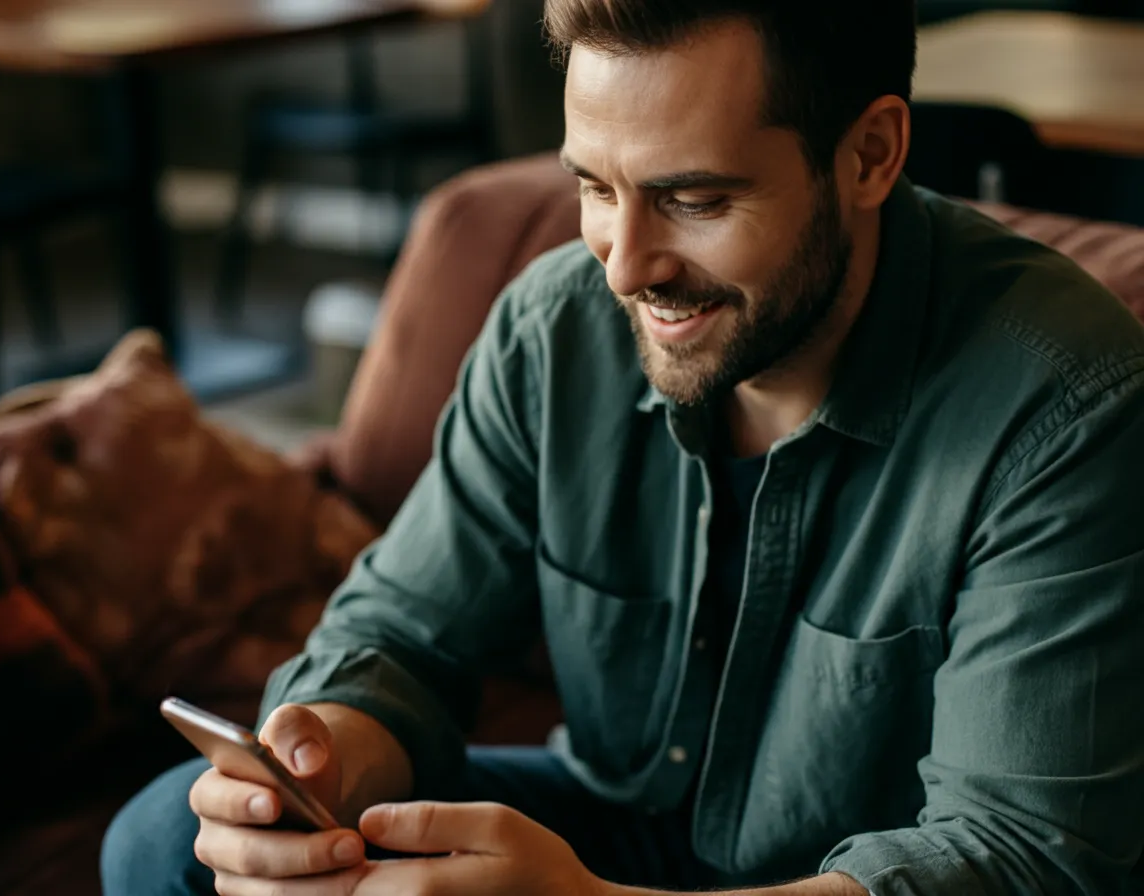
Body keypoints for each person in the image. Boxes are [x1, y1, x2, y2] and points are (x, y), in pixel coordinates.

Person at [101, 1, 1144, 893]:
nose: (622, 267)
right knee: (166, 840)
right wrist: (318, 764)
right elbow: (403, 634)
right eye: (596, 188)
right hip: (618, 813)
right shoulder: (554, 326)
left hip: (852, 875)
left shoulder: (1064, 399)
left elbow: (1020, 855)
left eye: (695, 200)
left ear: (869, 154)